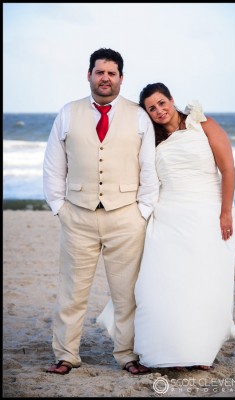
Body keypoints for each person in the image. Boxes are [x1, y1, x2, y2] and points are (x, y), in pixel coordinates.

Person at [98, 82, 235, 371]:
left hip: (208, 213)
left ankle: (197, 350)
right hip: (168, 215)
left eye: (162, 103)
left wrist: (225, 212)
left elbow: (227, 168)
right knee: (159, 283)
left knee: (203, 283)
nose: (159, 110)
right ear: (147, 113)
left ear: (172, 100)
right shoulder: (152, 139)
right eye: (152, 108)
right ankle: (159, 349)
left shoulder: (203, 124)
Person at [43, 48, 159, 375]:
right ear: (89, 75)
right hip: (77, 216)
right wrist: (59, 207)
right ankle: (66, 355)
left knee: (127, 295)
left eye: (111, 73)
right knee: (72, 292)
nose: (105, 78)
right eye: (99, 72)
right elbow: (53, 166)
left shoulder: (138, 116)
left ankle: (127, 355)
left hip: (126, 217)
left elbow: (148, 168)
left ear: (121, 78)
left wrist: (142, 211)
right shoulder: (68, 112)